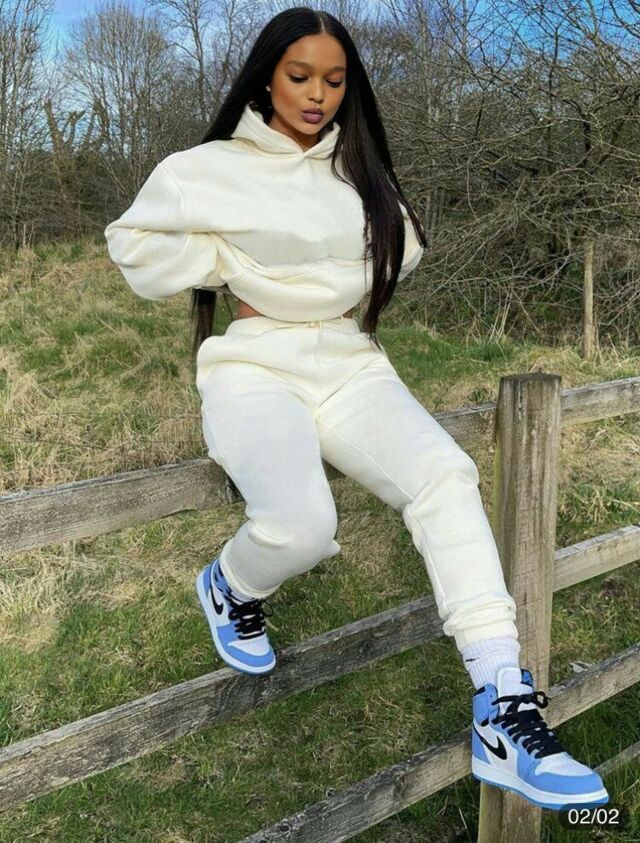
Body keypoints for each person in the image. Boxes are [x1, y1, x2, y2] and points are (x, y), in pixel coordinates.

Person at [104, 7, 608, 812]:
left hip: (349, 362)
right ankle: (231, 584)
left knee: (446, 473)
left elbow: (403, 244)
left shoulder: (355, 167)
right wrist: (223, 256)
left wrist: (315, 273)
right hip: (254, 364)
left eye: (335, 80)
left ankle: (503, 704)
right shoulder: (209, 168)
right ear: (267, 77)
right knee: (301, 526)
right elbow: (132, 247)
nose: (318, 95)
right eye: (301, 76)